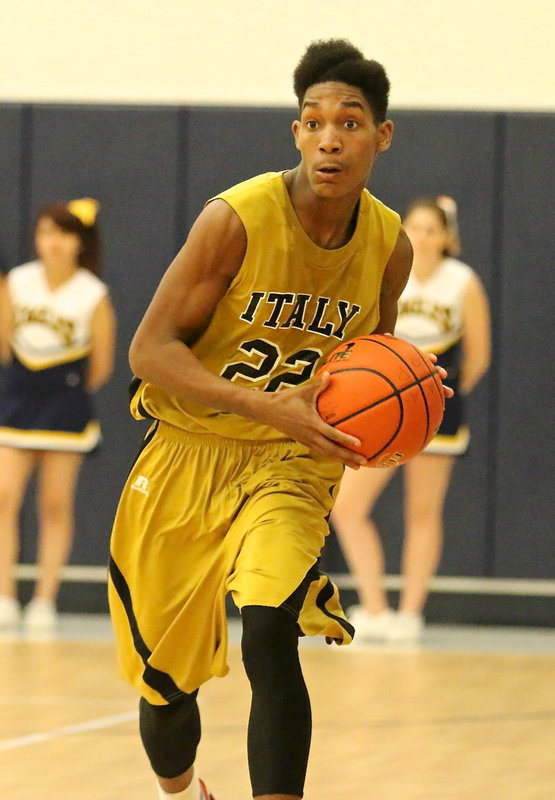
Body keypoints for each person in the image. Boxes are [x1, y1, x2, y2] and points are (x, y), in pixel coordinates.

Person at [108, 40, 451, 800]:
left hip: (289, 462)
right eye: (313, 121)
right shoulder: (235, 219)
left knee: (268, 631)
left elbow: (374, 353)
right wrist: (261, 403)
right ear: (296, 132)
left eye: (350, 122)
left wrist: (406, 399)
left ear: (380, 136)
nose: (330, 137)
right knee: (165, 692)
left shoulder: (388, 243)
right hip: (187, 453)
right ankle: (182, 789)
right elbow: (148, 350)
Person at [331, 196, 491, 643]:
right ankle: (375, 607)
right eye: (414, 228)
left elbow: (477, 358)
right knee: (347, 508)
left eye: (430, 229)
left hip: (438, 405)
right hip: (381, 407)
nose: (420, 237)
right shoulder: (389, 271)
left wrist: (435, 398)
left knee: (422, 513)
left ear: (447, 238)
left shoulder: (462, 282)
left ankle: (411, 613)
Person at [0, 198, 116, 631]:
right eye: (46, 232)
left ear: (80, 242)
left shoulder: (92, 292)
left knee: (54, 505)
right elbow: (4, 339)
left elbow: (102, 365)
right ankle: (5, 596)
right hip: (16, 403)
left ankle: (45, 600)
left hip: (65, 407)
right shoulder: (19, 281)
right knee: (4, 499)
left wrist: (66, 386)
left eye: (63, 234)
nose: (53, 242)